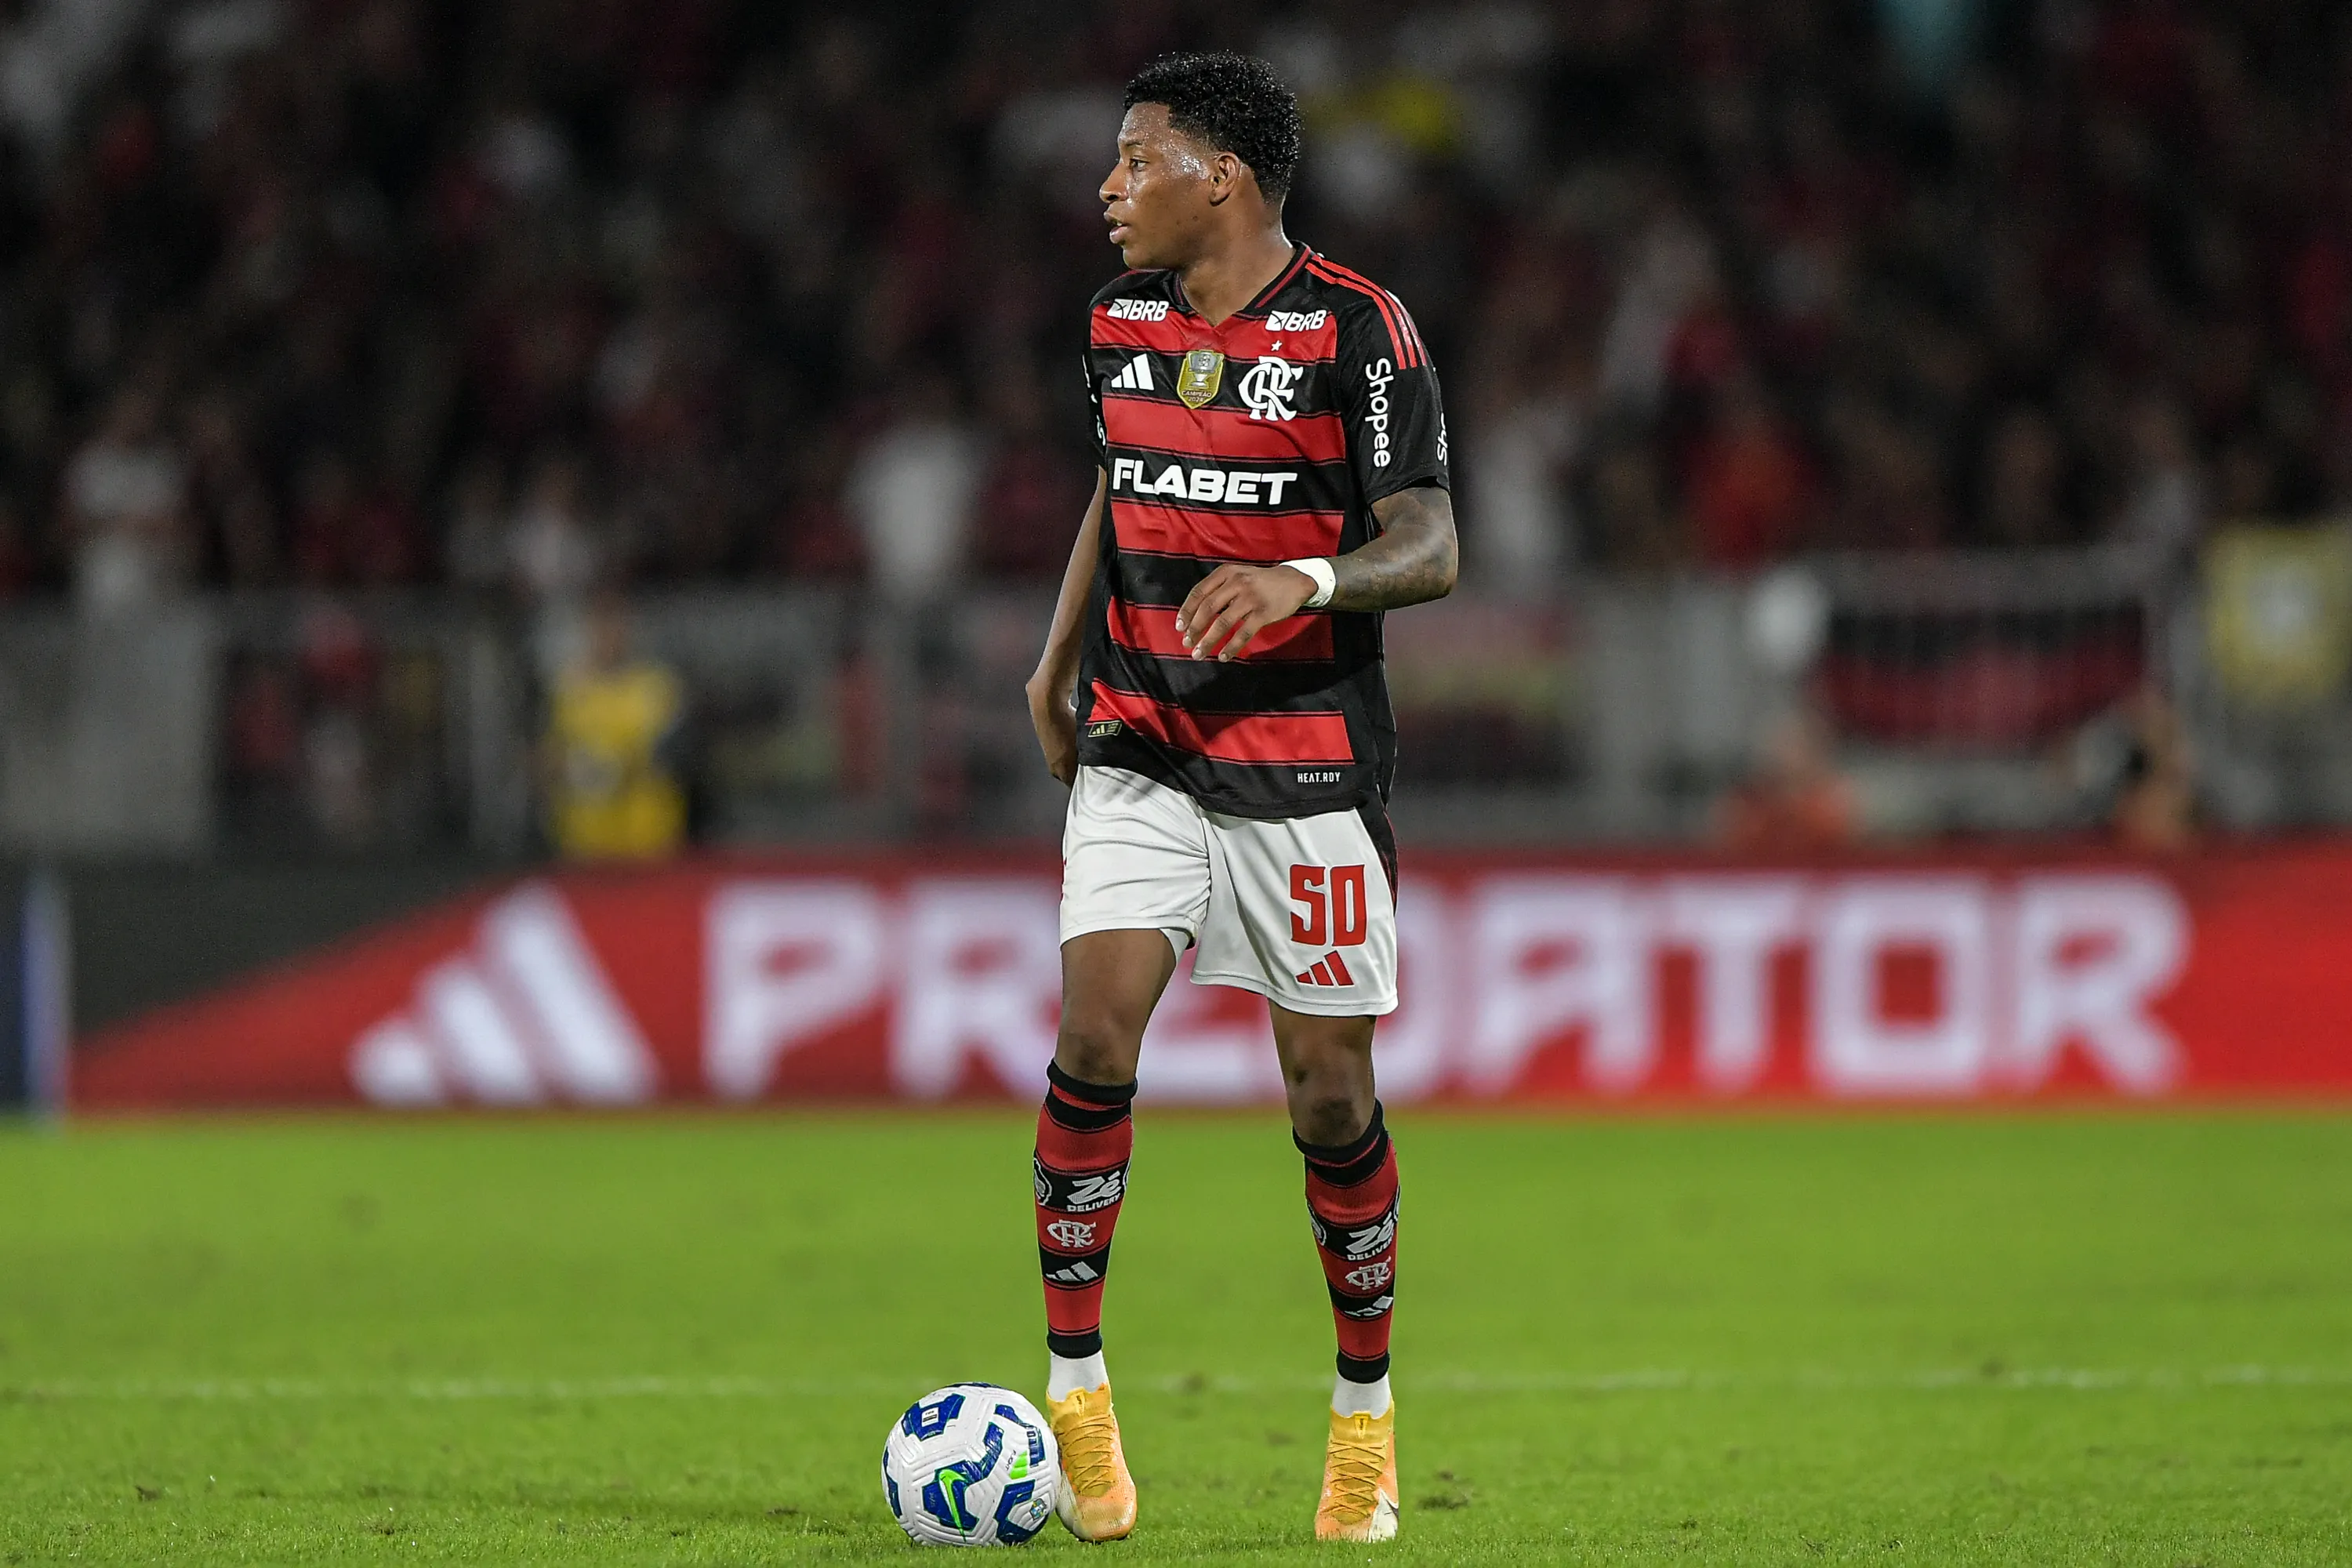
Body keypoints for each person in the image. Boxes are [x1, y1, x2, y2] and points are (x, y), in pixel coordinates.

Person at [1022, 52, 1457, 1546]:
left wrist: (1307, 576)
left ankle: (1362, 1419)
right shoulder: (1114, 322)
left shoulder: (1359, 328)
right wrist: (1058, 650)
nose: (1109, 189)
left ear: (1223, 174)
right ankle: (1077, 1392)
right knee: (1094, 1030)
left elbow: (1434, 542)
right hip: (1140, 736)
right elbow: (1115, 475)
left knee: (1329, 1098)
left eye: (1136, 160)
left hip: (1310, 764)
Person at [541, 589, 688, 860]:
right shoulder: (569, 689)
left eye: (617, 625)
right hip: (585, 839)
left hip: (648, 837)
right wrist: (570, 769)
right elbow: (548, 755)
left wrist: (617, 769)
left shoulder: (656, 687)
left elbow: (675, 753)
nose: (609, 636)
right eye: (601, 626)